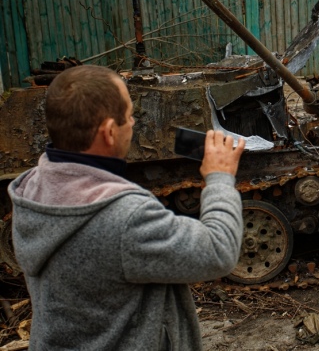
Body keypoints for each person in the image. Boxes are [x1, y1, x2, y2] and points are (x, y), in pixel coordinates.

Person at [9, 65, 246, 350]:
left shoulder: (31, 189)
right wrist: (220, 177)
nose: (133, 123)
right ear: (109, 131)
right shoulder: (124, 217)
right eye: (130, 115)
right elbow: (218, 250)